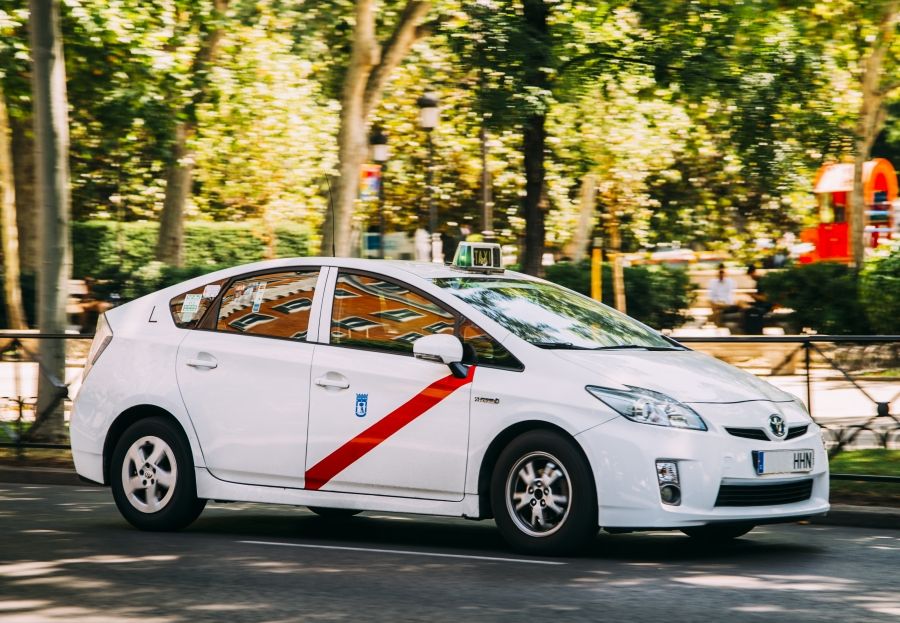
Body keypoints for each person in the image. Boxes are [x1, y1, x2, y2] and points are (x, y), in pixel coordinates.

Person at [743, 264, 773, 334]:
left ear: (753, 272)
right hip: (761, 304)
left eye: (750, 275)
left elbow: (765, 298)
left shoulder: (762, 282)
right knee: (740, 302)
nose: (750, 277)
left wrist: (752, 295)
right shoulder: (759, 282)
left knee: (744, 305)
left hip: (764, 305)